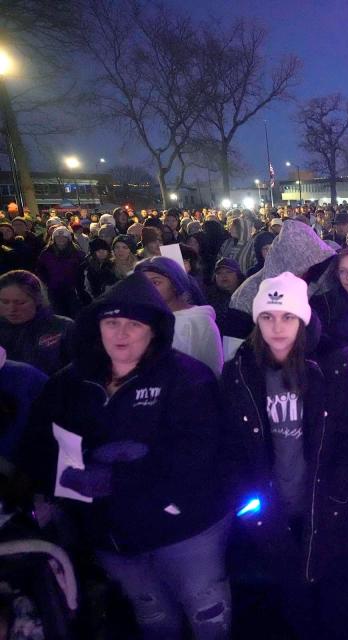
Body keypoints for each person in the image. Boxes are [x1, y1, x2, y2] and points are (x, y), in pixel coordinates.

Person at [22, 272, 232, 640]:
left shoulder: (187, 378)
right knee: (152, 616)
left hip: (184, 530)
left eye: (133, 324)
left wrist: (117, 478)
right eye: (112, 322)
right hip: (111, 535)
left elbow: (201, 453)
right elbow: (38, 446)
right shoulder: (68, 384)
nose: (121, 334)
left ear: (153, 330)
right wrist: (63, 477)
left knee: (206, 612)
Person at [220, 272, 348, 639]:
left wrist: (343, 490)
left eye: (287, 317)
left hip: (328, 505)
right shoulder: (240, 370)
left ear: (302, 319)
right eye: (267, 317)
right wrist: (247, 500)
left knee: (336, 604)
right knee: (293, 599)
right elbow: (232, 444)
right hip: (273, 507)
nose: (277, 327)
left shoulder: (333, 366)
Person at [136, 257, 224, 376]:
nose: (147, 289)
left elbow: (212, 370)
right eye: (142, 283)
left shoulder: (198, 321)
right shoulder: (140, 320)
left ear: (175, 284)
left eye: (155, 282)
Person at [0, 270, 74, 375]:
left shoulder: (62, 327)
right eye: (4, 302)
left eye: (20, 303)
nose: (12, 309)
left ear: (37, 300)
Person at [35, 226, 86, 317]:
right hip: (54, 289)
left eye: (64, 237)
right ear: (54, 238)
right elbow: (40, 269)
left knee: (74, 313)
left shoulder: (76, 252)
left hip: (72, 289)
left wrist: (78, 284)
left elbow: (82, 268)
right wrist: (47, 282)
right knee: (59, 313)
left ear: (68, 239)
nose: (61, 239)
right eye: (58, 237)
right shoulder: (46, 252)